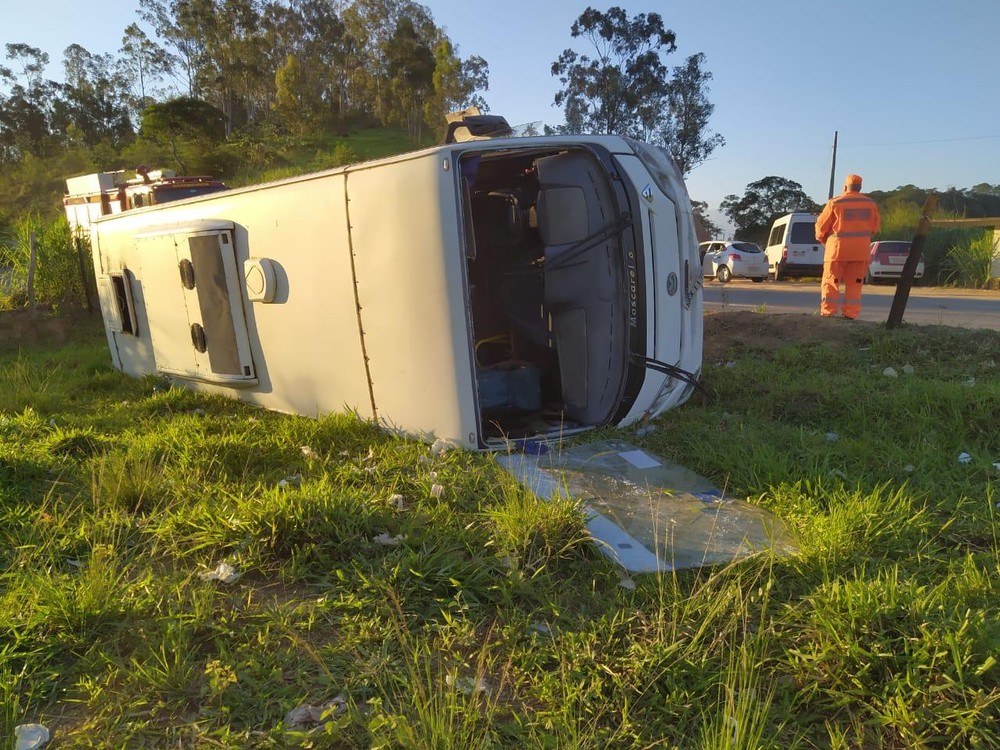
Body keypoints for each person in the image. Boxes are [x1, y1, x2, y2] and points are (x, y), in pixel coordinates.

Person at [815, 173, 881, 319]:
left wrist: (822, 239)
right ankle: (850, 314)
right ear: (860, 187)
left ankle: (828, 312)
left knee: (831, 282)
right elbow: (875, 228)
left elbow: (821, 227)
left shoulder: (835, 203)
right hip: (860, 252)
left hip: (837, 251)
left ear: (845, 187)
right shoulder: (871, 204)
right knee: (855, 284)